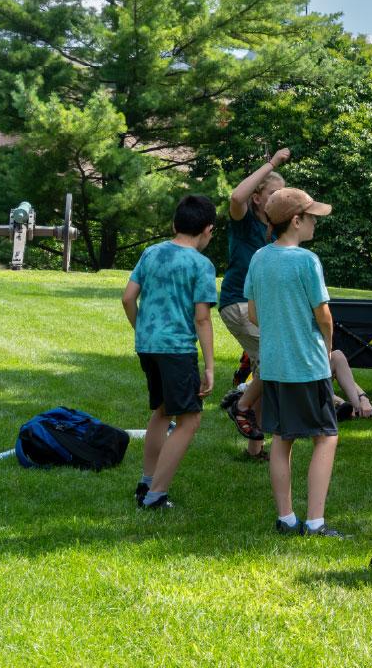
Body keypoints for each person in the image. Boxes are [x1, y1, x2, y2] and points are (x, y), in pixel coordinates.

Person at [245, 187, 344, 537]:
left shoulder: (259, 258)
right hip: (307, 364)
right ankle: (315, 522)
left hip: (273, 365)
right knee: (326, 437)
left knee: (282, 439)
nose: (316, 222)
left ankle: (286, 518)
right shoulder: (306, 261)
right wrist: (328, 350)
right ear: (296, 220)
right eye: (312, 216)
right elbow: (324, 316)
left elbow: (253, 314)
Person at [121, 195, 218, 510]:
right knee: (189, 420)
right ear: (207, 230)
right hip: (176, 349)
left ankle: (146, 482)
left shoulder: (151, 253)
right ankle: (156, 495)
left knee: (162, 411)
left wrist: (143, 330)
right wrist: (210, 367)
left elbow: (128, 298)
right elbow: (202, 318)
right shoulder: (201, 265)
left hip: (147, 346)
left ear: (175, 224)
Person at [219, 147, 289, 460]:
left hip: (259, 308)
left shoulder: (274, 233)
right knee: (275, 359)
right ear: (258, 198)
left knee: (266, 367)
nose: (278, 200)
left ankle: (255, 447)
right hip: (238, 303)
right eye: (273, 194)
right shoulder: (244, 220)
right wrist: (271, 164)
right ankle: (241, 404)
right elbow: (236, 197)